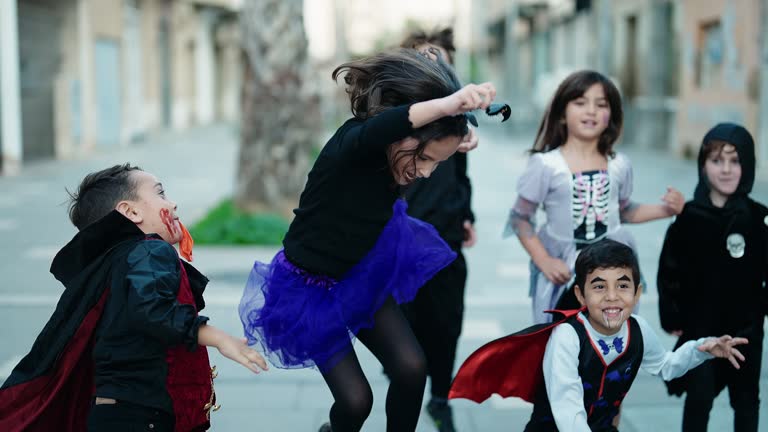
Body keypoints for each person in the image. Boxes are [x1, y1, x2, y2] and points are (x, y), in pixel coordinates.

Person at [237, 49, 496, 432]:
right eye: (424, 158)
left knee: (412, 367)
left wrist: (455, 137)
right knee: (356, 402)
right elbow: (389, 126)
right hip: (311, 288)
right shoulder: (353, 144)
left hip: (361, 272)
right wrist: (449, 103)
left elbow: (418, 137)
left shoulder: (405, 151)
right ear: (402, 134)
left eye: (435, 164)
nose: (425, 173)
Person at [0, 164, 267, 432]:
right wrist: (219, 338)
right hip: (141, 417)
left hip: (117, 413)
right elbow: (153, 308)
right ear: (131, 212)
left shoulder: (117, 261)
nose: (173, 204)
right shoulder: (149, 251)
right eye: (161, 194)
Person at [449, 239, 749, 432]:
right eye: (599, 286)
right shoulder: (567, 337)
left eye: (622, 285)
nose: (612, 297)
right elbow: (568, 409)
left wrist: (701, 349)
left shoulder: (638, 330)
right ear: (580, 294)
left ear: (637, 292)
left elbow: (666, 366)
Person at [504, 70, 684, 324]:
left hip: (613, 266)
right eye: (580, 103)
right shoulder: (545, 165)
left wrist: (665, 210)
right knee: (561, 339)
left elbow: (623, 211)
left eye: (601, 104)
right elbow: (520, 218)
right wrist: (544, 260)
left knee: (612, 336)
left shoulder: (619, 164)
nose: (591, 111)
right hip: (563, 271)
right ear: (562, 113)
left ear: (611, 115)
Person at [657, 123, 767, 431]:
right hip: (700, 329)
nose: (727, 170)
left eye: (735, 161)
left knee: (746, 400)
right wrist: (673, 316)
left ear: (747, 165)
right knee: (698, 398)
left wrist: (759, 309)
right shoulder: (689, 217)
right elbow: (669, 270)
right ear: (703, 166)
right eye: (717, 161)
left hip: (746, 331)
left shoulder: (758, 219)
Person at [399, 26, 477, 432]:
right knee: (407, 326)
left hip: (446, 241)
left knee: (447, 324)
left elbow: (462, 178)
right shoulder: (394, 119)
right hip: (402, 243)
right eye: (423, 56)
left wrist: (467, 217)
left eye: (441, 57)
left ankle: (441, 397)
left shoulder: (458, 123)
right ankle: (408, 388)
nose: (434, 63)